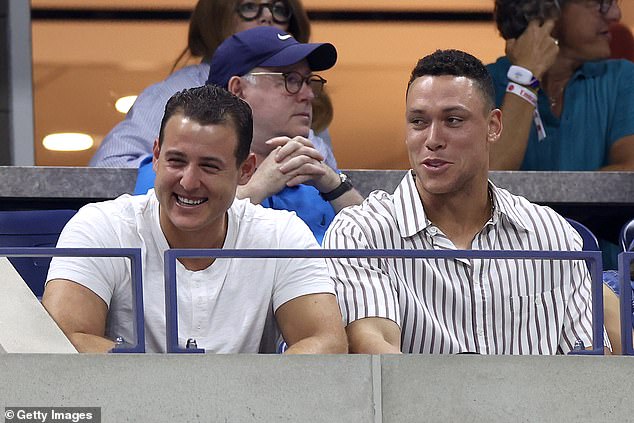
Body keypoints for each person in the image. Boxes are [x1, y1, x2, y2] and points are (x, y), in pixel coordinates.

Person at [323, 49, 603, 355]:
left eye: (453, 120)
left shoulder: (553, 234)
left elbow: (589, 364)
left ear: (493, 126)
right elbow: (376, 355)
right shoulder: (362, 233)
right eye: (418, 122)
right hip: (415, 404)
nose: (432, 139)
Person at [42, 85, 348, 354]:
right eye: (176, 160)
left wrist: (229, 396)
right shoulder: (101, 226)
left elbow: (326, 344)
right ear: (157, 155)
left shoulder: (282, 235)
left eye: (209, 166)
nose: (188, 182)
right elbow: (63, 339)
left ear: (246, 170)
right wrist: (185, 388)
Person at [134, 26, 364, 243]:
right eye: (291, 80)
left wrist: (335, 185)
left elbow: (380, 249)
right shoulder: (170, 168)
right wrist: (257, 188)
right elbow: (169, 241)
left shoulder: (315, 179)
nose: (308, 95)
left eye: (308, 82)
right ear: (238, 89)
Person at [89, 0, 337, 170]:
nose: (268, 16)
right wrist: (210, 173)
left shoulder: (303, 104)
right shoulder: (178, 90)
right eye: (249, 6)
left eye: (280, 8)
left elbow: (330, 180)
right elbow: (107, 169)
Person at [487, 0, 634, 171]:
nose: (616, 15)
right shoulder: (480, 86)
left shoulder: (622, 78)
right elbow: (487, 182)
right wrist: (525, 77)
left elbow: (629, 174)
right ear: (548, 10)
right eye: (601, 3)